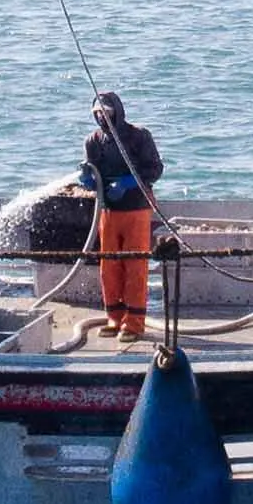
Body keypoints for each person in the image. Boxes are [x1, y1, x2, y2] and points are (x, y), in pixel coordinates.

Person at [79, 92, 163, 340]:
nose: (102, 117)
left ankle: (135, 322)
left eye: (106, 112)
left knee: (135, 264)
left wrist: (129, 183)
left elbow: (155, 169)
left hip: (136, 208)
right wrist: (88, 179)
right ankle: (114, 317)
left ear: (118, 111)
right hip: (108, 210)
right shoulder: (93, 141)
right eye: (97, 113)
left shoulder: (139, 136)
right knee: (109, 265)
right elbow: (90, 168)